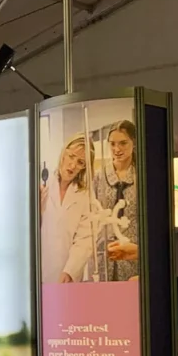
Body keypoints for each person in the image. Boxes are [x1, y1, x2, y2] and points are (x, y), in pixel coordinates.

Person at [41, 134, 94, 284]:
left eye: (80, 162)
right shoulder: (42, 185)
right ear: (63, 153)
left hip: (67, 275)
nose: (72, 165)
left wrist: (70, 270)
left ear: (85, 167)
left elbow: (85, 239)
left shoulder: (85, 195)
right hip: (40, 270)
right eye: (71, 156)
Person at [92, 120, 138, 282]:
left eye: (123, 143)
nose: (117, 149)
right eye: (112, 144)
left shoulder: (143, 176)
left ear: (134, 142)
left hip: (133, 256)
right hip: (104, 256)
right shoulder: (99, 177)